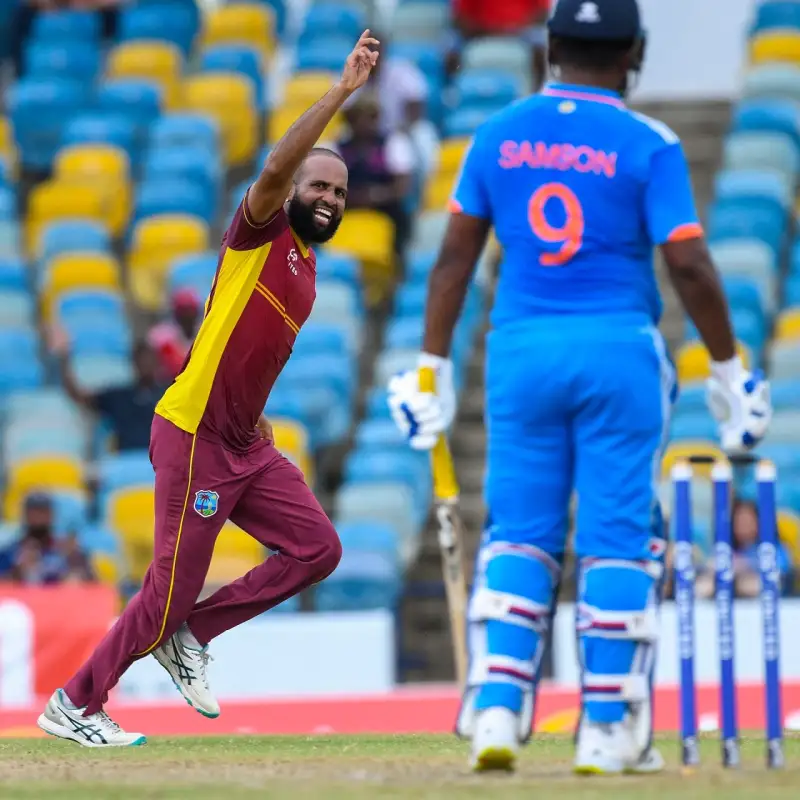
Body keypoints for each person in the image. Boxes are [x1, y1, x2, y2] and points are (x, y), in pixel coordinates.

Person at [387, 0, 772, 776]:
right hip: (618, 353)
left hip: (520, 353)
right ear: (635, 53)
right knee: (616, 537)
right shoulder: (651, 144)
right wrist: (729, 367)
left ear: (551, 46)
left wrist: (430, 364)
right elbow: (690, 264)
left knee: (520, 532)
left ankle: (496, 709)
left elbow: (455, 259)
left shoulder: (495, 135)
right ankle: (604, 728)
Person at [37, 30, 380, 748]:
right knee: (165, 593)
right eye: (318, 185)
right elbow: (281, 162)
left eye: (339, 193)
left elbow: (243, 352)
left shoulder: (307, 274)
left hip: (241, 444)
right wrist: (341, 91)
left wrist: (256, 424)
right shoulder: (257, 230)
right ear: (290, 191)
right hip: (193, 434)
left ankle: (190, 636)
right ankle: (75, 702)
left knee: (318, 549)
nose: (328, 198)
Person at [50, 333, 169, 453]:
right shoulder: (119, 396)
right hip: (125, 462)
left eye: (149, 359)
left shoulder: (170, 395)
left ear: (157, 362)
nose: (145, 364)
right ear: (133, 363)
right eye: (141, 359)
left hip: (159, 462)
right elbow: (79, 396)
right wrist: (64, 360)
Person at [337, 94, 415, 257]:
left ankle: (398, 259)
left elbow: (401, 187)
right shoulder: (336, 148)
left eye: (370, 118)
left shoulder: (393, 143)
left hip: (384, 204)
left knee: (400, 216)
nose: (363, 124)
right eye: (357, 118)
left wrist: (375, 196)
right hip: (347, 203)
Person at [695, 498, 794, 599]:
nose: (743, 526)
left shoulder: (772, 548)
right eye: (739, 521)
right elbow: (708, 570)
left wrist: (746, 565)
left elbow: (782, 574)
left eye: (748, 521)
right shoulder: (724, 548)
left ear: (759, 522)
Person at [3, 493, 94, 585]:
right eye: (34, 512)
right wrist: (17, 571)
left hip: (59, 598)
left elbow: (93, 585)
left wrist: (74, 561)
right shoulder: (11, 552)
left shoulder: (66, 549)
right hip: (22, 598)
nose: (39, 517)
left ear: (52, 515)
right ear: (26, 515)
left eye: (43, 512)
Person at [147, 287, 202, 381]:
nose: (188, 315)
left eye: (190, 310)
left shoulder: (204, 333)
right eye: (184, 311)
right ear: (177, 313)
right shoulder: (162, 337)